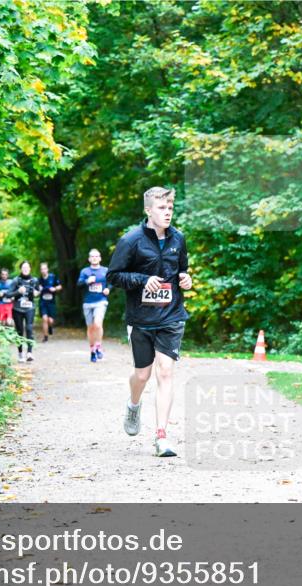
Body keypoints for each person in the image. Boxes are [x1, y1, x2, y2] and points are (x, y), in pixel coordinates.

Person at [108, 186, 192, 457]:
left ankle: (161, 437)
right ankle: (134, 405)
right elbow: (114, 276)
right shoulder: (131, 240)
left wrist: (186, 280)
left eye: (170, 208)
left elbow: (182, 270)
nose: (167, 212)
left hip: (171, 315)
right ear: (148, 210)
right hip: (141, 317)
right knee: (142, 374)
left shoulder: (178, 239)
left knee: (165, 372)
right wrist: (143, 280)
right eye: (161, 208)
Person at [77, 248, 110, 362]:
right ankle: (92, 350)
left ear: (100, 258)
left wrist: (108, 289)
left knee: (97, 324)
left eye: (96, 256)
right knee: (90, 328)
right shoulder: (85, 271)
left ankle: (99, 346)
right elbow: (79, 284)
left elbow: (111, 283)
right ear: (89, 259)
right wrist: (87, 281)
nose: (94, 258)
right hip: (87, 302)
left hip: (101, 301)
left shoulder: (105, 270)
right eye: (92, 256)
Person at [6, 260, 40, 362]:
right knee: (19, 331)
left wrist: (36, 293)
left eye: (27, 267)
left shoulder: (34, 280)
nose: (25, 269)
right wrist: (18, 291)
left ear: (30, 269)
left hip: (30, 308)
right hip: (17, 309)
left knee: (29, 328)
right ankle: (21, 354)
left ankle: (29, 353)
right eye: (23, 268)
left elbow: (38, 291)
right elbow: (8, 294)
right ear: (21, 269)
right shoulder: (16, 280)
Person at [37, 261, 62, 342]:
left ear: (47, 269)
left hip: (51, 302)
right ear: (40, 271)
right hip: (43, 302)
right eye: (42, 269)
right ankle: (45, 337)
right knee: (44, 319)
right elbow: (36, 291)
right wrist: (39, 290)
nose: (43, 270)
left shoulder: (53, 277)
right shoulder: (39, 280)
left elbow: (60, 286)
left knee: (50, 320)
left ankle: (50, 326)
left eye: (45, 269)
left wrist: (54, 289)